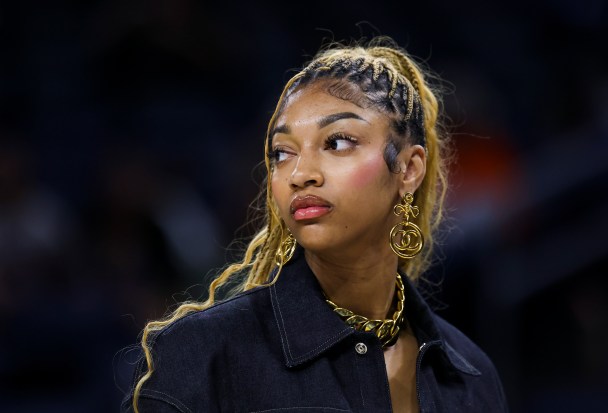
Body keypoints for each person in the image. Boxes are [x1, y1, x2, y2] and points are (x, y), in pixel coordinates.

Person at [122, 38, 509, 413]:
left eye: (337, 143)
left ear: (408, 169)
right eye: (282, 153)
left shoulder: (469, 375)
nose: (300, 174)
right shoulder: (201, 355)